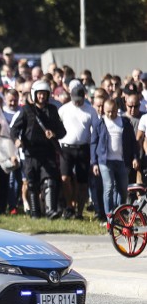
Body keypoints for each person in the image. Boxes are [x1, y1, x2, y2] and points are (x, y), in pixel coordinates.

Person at [10, 80, 66, 219]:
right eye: (39, 94)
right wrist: (17, 140)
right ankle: (35, 213)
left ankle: (50, 211)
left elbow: (62, 131)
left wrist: (54, 134)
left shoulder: (52, 110)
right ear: (35, 94)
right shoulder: (26, 110)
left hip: (48, 152)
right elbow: (14, 130)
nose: (42, 97)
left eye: (44, 94)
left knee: (50, 180)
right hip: (31, 153)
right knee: (32, 183)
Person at [91, 98, 137, 224]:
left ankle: (119, 213)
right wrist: (94, 162)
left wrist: (135, 157)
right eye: (108, 112)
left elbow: (133, 142)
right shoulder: (100, 123)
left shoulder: (124, 122)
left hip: (121, 160)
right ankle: (110, 216)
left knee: (122, 188)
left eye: (113, 111)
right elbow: (93, 143)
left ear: (117, 110)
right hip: (105, 161)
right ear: (104, 111)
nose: (110, 114)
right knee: (109, 187)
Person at [57, 80, 95, 219]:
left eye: (80, 100)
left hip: (83, 148)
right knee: (65, 178)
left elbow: (95, 131)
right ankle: (69, 206)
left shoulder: (90, 110)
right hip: (66, 148)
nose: (77, 102)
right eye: (75, 99)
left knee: (82, 182)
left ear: (84, 97)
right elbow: (57, 125)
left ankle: (79, 211)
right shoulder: (64, 109)